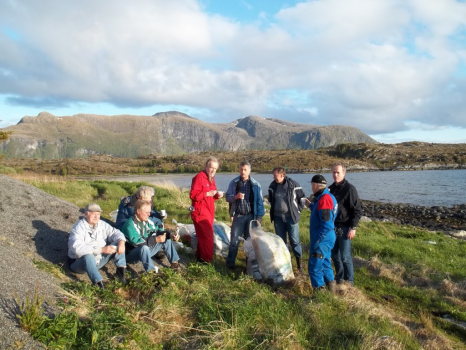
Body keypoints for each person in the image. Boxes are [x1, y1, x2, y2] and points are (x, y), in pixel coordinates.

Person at [68, 203, 127, 289]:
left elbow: (116, 232)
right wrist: (101, 250)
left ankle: (121, 275)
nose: (96, 216)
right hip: (78, 263)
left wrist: (122, 241)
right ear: (85, 214)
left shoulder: (102, 224)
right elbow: (77, 249)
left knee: (119, 243)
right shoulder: (78, 228)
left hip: (98, 260)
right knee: (88, 256)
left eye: (98, 214)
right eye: (93, 213)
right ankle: (99, 285)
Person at [225, 161, 265, 269]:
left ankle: (249, 265)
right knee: (234, 241)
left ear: (249, 170)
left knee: (250, 242)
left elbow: (260, 202)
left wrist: (259, 217)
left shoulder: (256, 184)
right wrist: (235, 197)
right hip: (238, 216)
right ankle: (230, 265)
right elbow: (227, 197)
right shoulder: (234, 182)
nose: (243, 172)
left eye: (245, 169)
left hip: (251, 216)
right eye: (241, 169)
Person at [122, 200, 180, 272]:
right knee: (144, 248)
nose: (149, 214)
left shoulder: (147, 221)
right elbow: (137, 243)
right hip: (131, 254)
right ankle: (152, 273)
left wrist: (170, 234)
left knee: (165, 238)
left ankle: (175, 264)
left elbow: (158, 230)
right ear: (138, 211)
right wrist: (156, 240)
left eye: (149, 212)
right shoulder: (130, 225)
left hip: (144, 251)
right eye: (147, 212)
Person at [329, 162, 362, 286]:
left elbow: (357, 210)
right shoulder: (331, 189)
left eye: (338, 172)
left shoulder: (350, 189)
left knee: (345, 256)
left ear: (344, 173)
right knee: (335, 255)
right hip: (333, 226)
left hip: (345, 226)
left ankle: (349, 282)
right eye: (333, 172)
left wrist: (353, 228)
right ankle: (339, 278)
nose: (335, 175)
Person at [268, 167, 306, 272]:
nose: (274, 177)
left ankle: (299, 266)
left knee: (295, 241)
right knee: (281, 242)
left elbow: (302, 199)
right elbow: (271, 199)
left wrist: (298, 210)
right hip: (278, 218)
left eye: (275, 176)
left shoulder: (293, 185)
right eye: (273, 175)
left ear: (282, 175)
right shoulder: (272, 186)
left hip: (291, 218)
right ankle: (285, 263)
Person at [306, 174, 338, 293]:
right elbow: (324, 213)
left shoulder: (324, 199)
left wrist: (318, 241)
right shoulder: (327, 197)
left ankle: (320, 294)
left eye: (311, 185)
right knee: (325, 263)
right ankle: (331, 290)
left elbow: (326, 223)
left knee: (314, 266)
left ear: (315, 185)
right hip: (328, 237)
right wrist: (311, 205)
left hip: (322, 237)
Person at [190, 157, 223, 263]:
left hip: (209, 212)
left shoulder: (211, 179)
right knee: (208, 238)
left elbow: (211, 196)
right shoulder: (199, 178)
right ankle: (206, 261)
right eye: (211, 167)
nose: (213, 170)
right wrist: (207, 193)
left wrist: (217, 195)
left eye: (215, 169)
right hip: (200, 213)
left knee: (202, 237)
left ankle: (199, 257)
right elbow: (193, 195)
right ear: (206, 166)